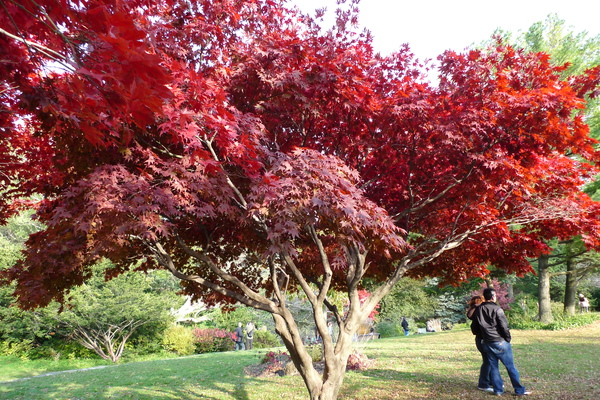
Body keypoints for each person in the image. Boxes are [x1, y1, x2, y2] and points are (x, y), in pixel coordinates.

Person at [473, 288, 531, 396]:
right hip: (499, 341)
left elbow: (474, 328)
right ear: (493, 297)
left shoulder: (479, 310)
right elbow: (504, 326)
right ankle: (519, 390)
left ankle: (498, 390)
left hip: (487, 341)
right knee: (510, 367)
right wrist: (507, 338)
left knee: (494, 367)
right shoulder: (497, 309)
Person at [467, 295, 492, 393]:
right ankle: (483, 384)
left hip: (482, 339)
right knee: (488, 361)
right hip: (482, 339)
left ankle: (490, 381)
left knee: (489, 361)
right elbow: (469, 316)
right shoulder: (477, 312)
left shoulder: (478, 311)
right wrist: (475, 307)